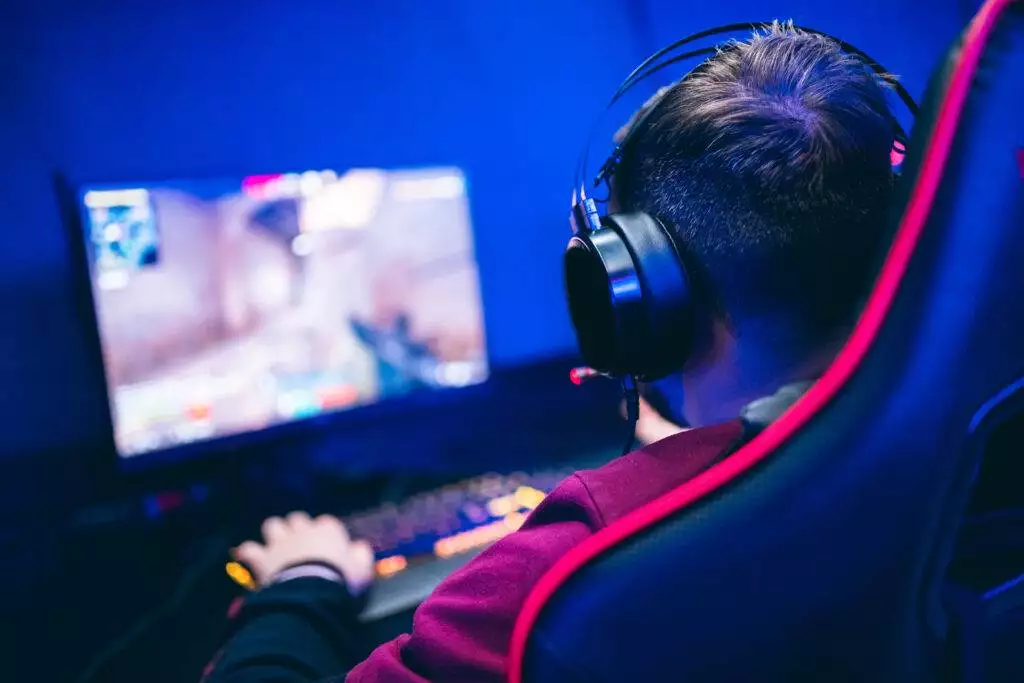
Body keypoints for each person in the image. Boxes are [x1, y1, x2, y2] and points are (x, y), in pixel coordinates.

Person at [204, 22, 898, 683]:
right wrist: (701, 447)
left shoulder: (593, 544)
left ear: (638, 294)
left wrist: (302, 586)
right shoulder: (961, 412)